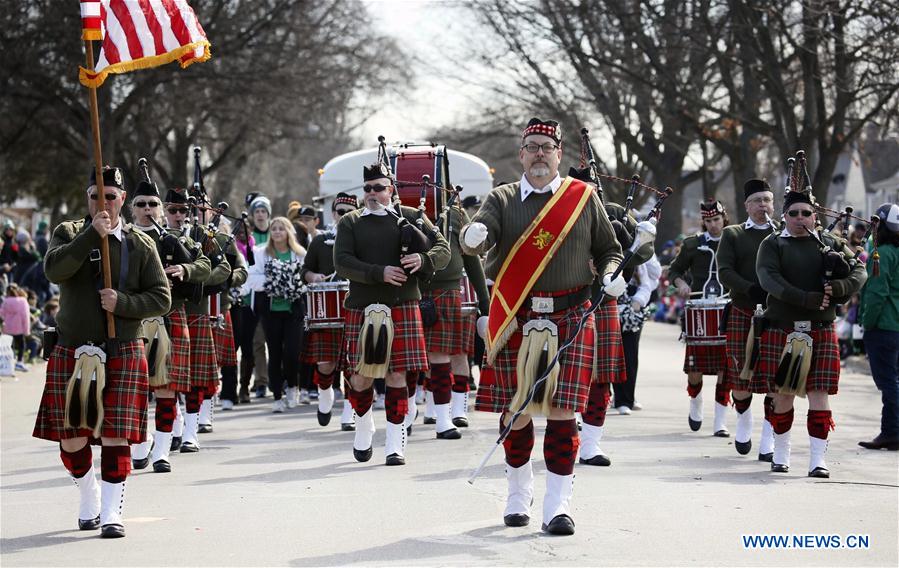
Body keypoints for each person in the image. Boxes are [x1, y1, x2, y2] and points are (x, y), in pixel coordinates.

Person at [461, 118, 623, 535]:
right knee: (515, 411)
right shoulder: (501, 198)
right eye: (531, 146)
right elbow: (477, 239)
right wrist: (473, 235)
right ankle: (518, 495)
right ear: (521, 153)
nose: (538, 154)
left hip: (570, 315)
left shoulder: (582, 197)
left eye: (545, 147)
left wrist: (610, 272)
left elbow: (610, 249)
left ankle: (558, 504)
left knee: (562, 410)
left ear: (558, 154)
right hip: (517, 315)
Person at [33, 166, 170, 538]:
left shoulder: (140, 245)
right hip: (73, 349)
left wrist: (122, 302)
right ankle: (88, 491)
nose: (103, 202)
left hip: (123, 347)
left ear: (122, 199)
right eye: (96, 195)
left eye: (110, 195)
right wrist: (90, 237)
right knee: (71, 437)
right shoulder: (68, 233)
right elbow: (54, 270)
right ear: (87, 197)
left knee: (116, 434)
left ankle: (112, 512)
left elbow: (161, 297)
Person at [334, 162, 450, 466]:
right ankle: (363, 427)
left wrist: (422, 259)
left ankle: (395, 443)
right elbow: (342, 262)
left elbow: (444, 249)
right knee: (361, 377)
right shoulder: (351, 222)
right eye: (368, 188)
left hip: (402, 305)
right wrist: (378, 272)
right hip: (362, 306)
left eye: (379, 188)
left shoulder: (410, 217)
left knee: (398, 374)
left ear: (391, 189)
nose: (373, 194)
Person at [754, 188, 866, 476]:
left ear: (815, 216)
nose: (800, 218)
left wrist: (839, 288)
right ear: (785, 216)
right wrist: (805, 298)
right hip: (784, 327)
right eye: (794, 213)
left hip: (820, 328)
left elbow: (860, 271)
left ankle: (818, 460)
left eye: (806, 213)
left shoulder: (830, 242)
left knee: (819, 393)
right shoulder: (773, 243)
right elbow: (769, 279)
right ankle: (781, 453)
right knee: (783, 395)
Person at [127, 178, 210, 472]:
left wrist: (184, 269)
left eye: (152, 204)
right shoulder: (122, 238)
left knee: (166, 388)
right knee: (135, 389)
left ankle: (161, 451)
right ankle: (139, 443)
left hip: (170, 314)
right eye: (141, 204)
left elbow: (206, 265)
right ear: (131, 208)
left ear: (161, 210)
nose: (147, 209)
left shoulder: (173, 240)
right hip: (132, 320)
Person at [418, 198, 490, 438]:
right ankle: (432, 408)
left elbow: (471, 258)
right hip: (416, 291)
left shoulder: (457, 215)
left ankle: (458, 410)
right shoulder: (406, 211)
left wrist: (484, 300)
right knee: (428, 357)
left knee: (458, 353)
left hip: (451, 291)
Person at [167, 189, 232, 453]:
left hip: (195, 310)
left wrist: (198, 281)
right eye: (173, 210)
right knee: (167, 376)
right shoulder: (153, 237)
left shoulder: (202, 236)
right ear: (165, 211)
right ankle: (174, 424)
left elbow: (224, 268)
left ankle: (191, 432)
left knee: (194, 376)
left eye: (184, 210)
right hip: (166, 312)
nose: (179, 215)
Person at [717, 179, 777, 459]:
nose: (762, 206)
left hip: (777, 315)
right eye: (757, 201)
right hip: (743, 310)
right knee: (740, 375)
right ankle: (743, 418)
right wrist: (749, 288)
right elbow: (724, 272)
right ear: (746, 205)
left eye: (767, 200)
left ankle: (769, 437)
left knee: (775, 379)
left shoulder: (783, 235)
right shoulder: (733, 234)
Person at [668, 199, 732, 436]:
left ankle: (721, 421)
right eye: (709, 221)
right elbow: (674, 270)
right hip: (699, 309)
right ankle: (695, 401)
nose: (713, 225)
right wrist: (681, 282)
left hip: (728, 307)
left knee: (726, 367)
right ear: (703, 221)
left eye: (717, 219)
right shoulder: (693, 244)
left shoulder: (734, 240)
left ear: (724, 217)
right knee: (695, 368)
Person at [301, 192, 358, 429]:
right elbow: (305, 270)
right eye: (340, 212)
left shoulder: (361, 239)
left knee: (354, 365)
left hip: (356, 307)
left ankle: (351, 411)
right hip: (327, 311)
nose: (343, 216)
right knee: (326, 365)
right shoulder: (320, 241)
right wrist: (312, 276)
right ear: (333, 214)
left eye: (348, 212)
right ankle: (325, 395)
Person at [243, 217, 306, 412]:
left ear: (288, 232)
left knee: (292, 352)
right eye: (274, 229)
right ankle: (277, 396)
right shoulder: (261, 253)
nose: (277, 232)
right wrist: (275, 281)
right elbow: (251, 278)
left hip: (294, 310)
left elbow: (305, 279)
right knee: (275, 352)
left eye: (281, 229)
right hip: (271, 311)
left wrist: (291, 283)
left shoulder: (300, 253)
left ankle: (293, 387)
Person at [858, 203, 899, 451]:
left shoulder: (881, 254)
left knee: (888, 383)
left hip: (884, 326)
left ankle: (892, 432)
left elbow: (876, 293)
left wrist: (867, 322)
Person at [613, 254, 662, 413]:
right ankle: (609, 395)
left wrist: (638, 301)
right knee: (608, 353)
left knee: (629, 353)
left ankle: (625, 400)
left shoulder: (640, 249)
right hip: (609, 300)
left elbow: (652, 276)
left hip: (632, 308)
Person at [243, 193, 272, 399]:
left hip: (276, 295)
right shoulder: (249, 237)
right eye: (257, 211)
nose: (260, 215)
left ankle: (279, 378)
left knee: (276, 341)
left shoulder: (277, 232)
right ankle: (261, 381)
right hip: (253, 296)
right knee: (257, 341)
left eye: (263, 211)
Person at [1, 285, 31, 371]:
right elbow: (25, 317)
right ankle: (19, 362)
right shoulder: (22, 301)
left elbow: (1, 314)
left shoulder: (5, 301)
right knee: (21, 345)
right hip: (19, 328)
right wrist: (26, 330)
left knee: (9, 346)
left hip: (7, 328)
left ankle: (10, 363)